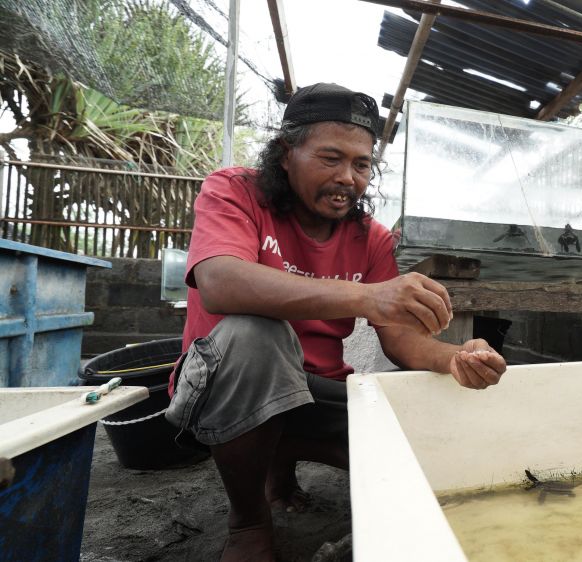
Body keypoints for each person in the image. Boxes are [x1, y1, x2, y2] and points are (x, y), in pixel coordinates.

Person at [165, 83, 506, 562]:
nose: (348, 177)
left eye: (362, 165)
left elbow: (400, 339)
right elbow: (220, 282)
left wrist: (454, 357)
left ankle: (280, 461)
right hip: (223, 388)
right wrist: (368, 296)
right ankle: (249, 520)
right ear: (286, 153)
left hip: (315, 392)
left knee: (417, 447)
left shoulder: (371, 238)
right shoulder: (235, 191)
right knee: (254, 334)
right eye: (330, 158)